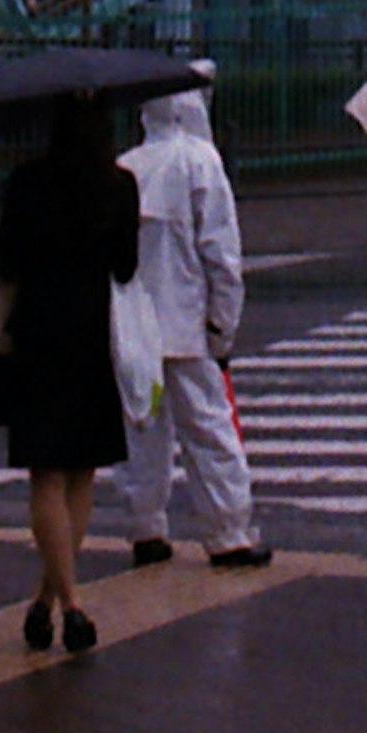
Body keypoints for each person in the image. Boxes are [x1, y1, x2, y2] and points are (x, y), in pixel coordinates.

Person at [0, 90, 139, 656]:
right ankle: (63, 605)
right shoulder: (119, 186)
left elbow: (6, 262)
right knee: (81, 472)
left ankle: (58, 603)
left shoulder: (26, 181)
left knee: (45, 474)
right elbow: (126, 266)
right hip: (90, 332)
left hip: (35, 333)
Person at [117, 83, 268, 571]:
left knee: (142, 429)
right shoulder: (201, 162)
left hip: (133, 326)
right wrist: (223, 326)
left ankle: (147, 528)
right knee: (208, 428)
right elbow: (221, 255)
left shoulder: (128, 166)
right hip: (187, 324)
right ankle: (228, 533)